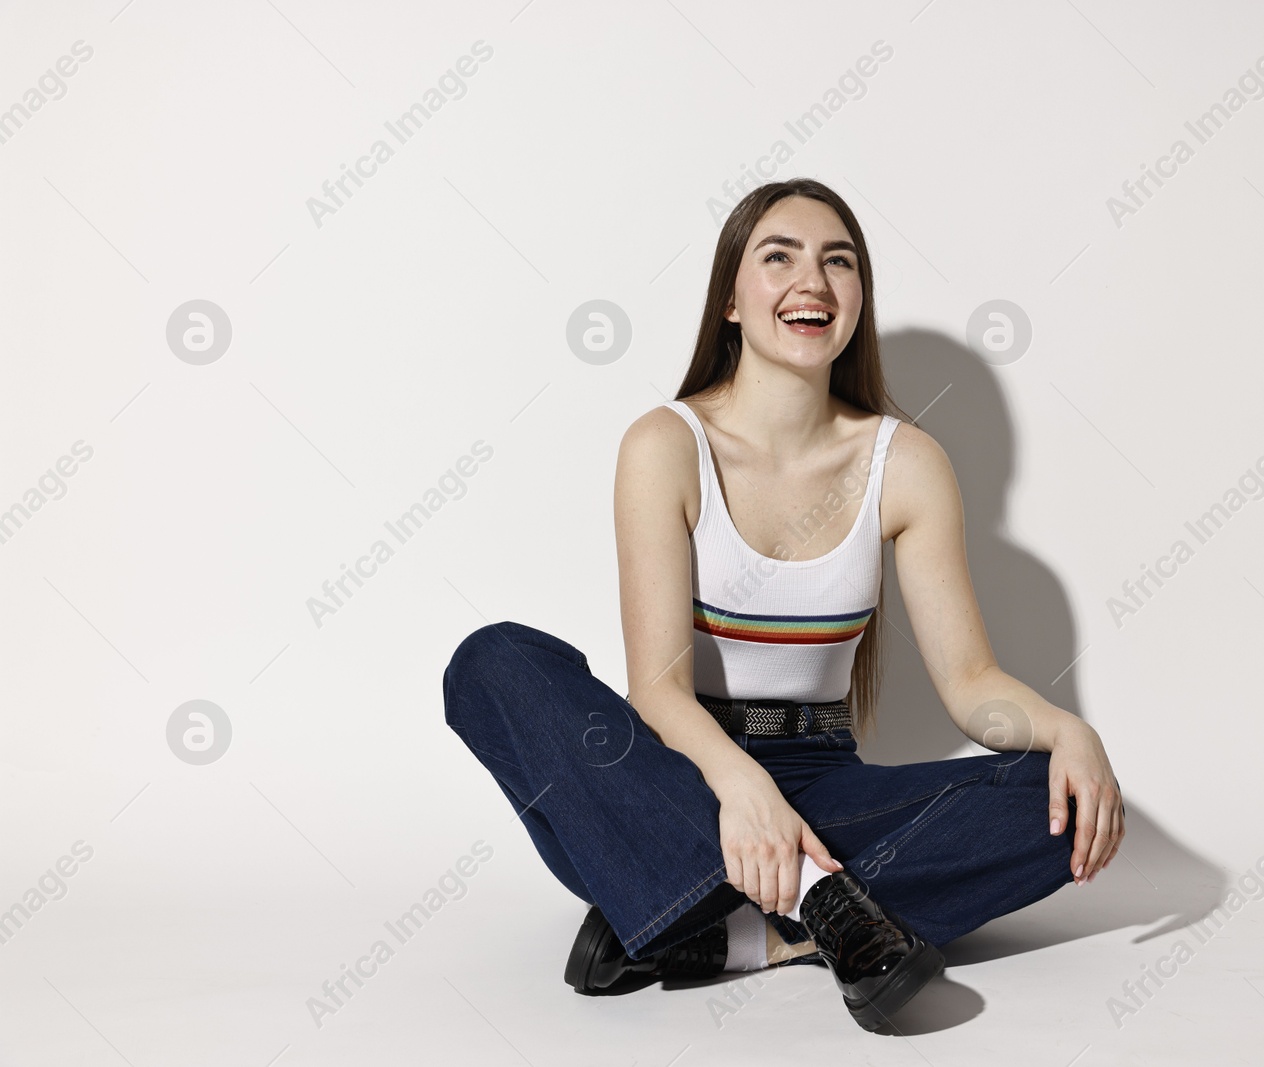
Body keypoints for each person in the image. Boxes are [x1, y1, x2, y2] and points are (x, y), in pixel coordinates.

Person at [441, 177, 1125, 1032]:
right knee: (493, 661)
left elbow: (972, 681)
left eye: (838, 261)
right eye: (779, 257)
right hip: (673, 777)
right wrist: (739, 786)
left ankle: (710, 931)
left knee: (1056, 803)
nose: (814, 281)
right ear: (731, 298)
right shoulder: (666, 446)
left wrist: (1072, 731)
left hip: (824, 787)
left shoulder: (904, 463)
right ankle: (821, 905)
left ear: (858, 298)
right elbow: (656, 688)